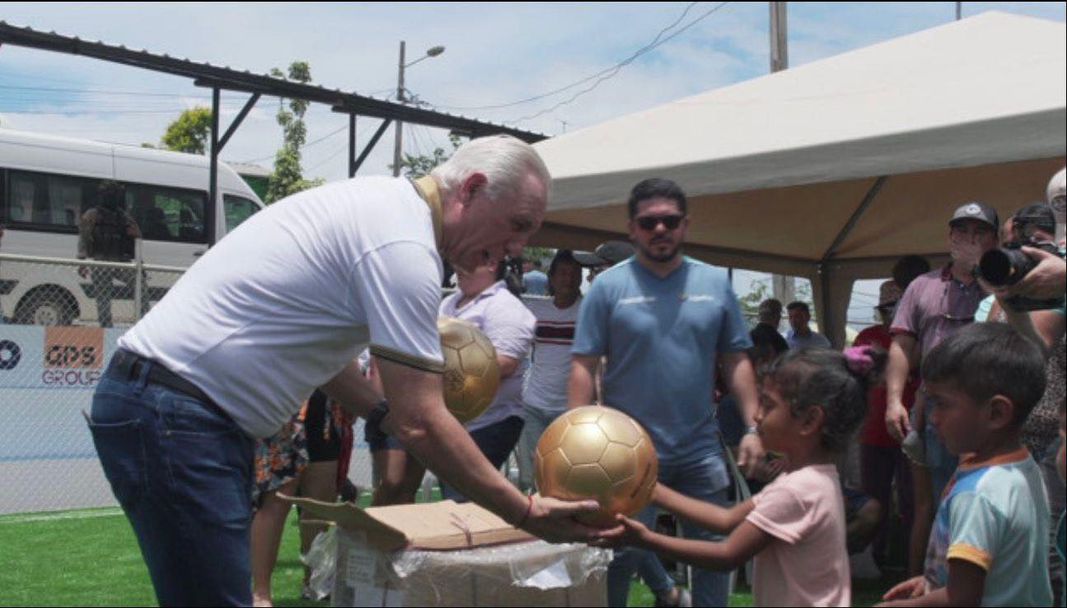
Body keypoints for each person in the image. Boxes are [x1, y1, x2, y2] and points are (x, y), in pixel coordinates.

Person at [86, 135, 609, 606]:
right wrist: (524, 512)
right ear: (470, 190)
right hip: (176, 414)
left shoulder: (387, 212)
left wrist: (380, 412)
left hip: (172, 409)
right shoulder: (403, 245)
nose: (518, 248)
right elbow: (421, 421)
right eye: (518, 225)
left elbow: (327, 359)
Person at [569, 178, 763, 607]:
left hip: (700, 448)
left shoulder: (714, 283)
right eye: (649, 222)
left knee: (714, 552)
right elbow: (583, 364)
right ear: (632, 229)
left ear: (685, 225)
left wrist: (753, 427)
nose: (660, 229)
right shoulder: (608, 287)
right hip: (627, 453)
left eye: (670, 221)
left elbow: (736, 360)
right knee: (618, 552)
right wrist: (575, 440)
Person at [599, 346, 886, 608]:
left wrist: (646, 539)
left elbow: (727, 555)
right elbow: (726, 520)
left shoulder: (797, 491)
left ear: (809, 420)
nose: (757, 416)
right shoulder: (811, 479)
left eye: (768, 405)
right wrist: (652, 490)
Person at [881, 323, 1053, 607]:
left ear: (996, 413)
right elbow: (999, 569)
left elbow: (961, 598)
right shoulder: (1024, 469)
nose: (933, 418)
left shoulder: (978, 494)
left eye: (942, 404)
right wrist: (932, 582)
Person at [884, 201, 998, 576]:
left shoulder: (1004, 284)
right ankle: (924, 584)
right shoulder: (923, 285)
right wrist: (893, 400)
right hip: (936, 411)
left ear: (994, 239)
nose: (969, 239)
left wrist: (985, 274)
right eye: (961, 231)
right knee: (934, 501)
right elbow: (902, 344)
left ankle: (974, 586)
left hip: (990, 411)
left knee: (982, 498)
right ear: (949, 237)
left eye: (979, 232)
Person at [437, 258, 536, 500]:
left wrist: (444, 370)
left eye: (467, 259)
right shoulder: (449, 302)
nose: (458, 266)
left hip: (490, 423)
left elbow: (504, 363)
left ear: (491, 264)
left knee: (462, 498)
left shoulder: (505, 307)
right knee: (453, 498)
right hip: (451, 422)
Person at [854, 279, 917, 569]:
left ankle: (907, 556)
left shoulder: (915, 338)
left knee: (910, 498)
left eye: (895, 306)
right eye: (885, 308)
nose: (889, 313)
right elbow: (856, 375)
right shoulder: (867, 336)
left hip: (909, 431)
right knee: (874, 496)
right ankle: (874, 557)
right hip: (872, 432)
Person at [516, 249, 582, 493]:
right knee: (532, 477)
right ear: (551, 278)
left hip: (569, 409)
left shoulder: (588, 312)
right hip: (533, 404)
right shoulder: (535, 310)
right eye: (563, 273)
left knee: (565, 476)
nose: (568, 279)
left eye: (574, 273)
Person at [77, 180, 145, 327]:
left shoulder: (124, 217)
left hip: (121, 262)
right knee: (103, 298)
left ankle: (144, 320)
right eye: (108, 194)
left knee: (141, 285)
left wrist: (140, 263)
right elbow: (84, 240)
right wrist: (82, 263)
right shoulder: (92, 215)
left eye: (113, 194)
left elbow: (138, 238)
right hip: (101, 262)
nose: (111, 197)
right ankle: (106, 327)